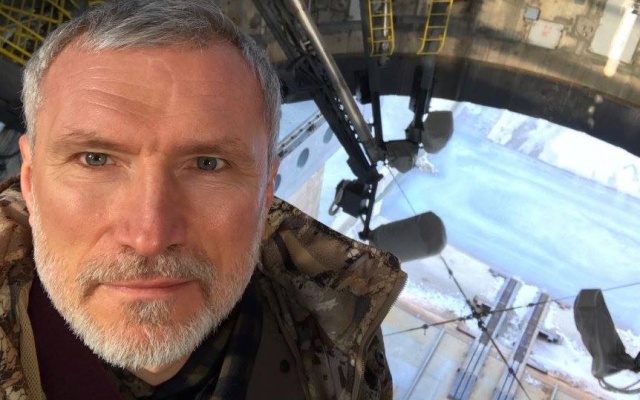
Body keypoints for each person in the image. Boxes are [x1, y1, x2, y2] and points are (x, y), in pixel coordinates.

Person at [0, 0, 406, 398]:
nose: (149, 237)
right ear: (31, 182)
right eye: (95, 159)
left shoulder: (350, 352)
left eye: (208, 164)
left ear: (266, 191)